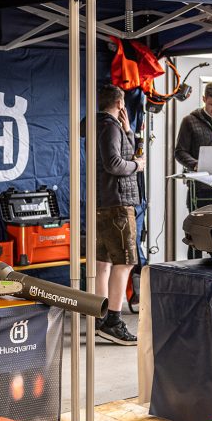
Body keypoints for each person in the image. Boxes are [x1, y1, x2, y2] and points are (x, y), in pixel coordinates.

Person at [94, 84, 143, 346]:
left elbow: (123, 150)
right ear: (120, 104)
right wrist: (137, 165)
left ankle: (99, 318)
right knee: (125, 262)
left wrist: (128, 131)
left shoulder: (103, 125)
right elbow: (114, 163)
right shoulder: (109, 127)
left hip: (104, 202)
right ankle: (113, 321)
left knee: (103, 263)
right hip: (118, 203)